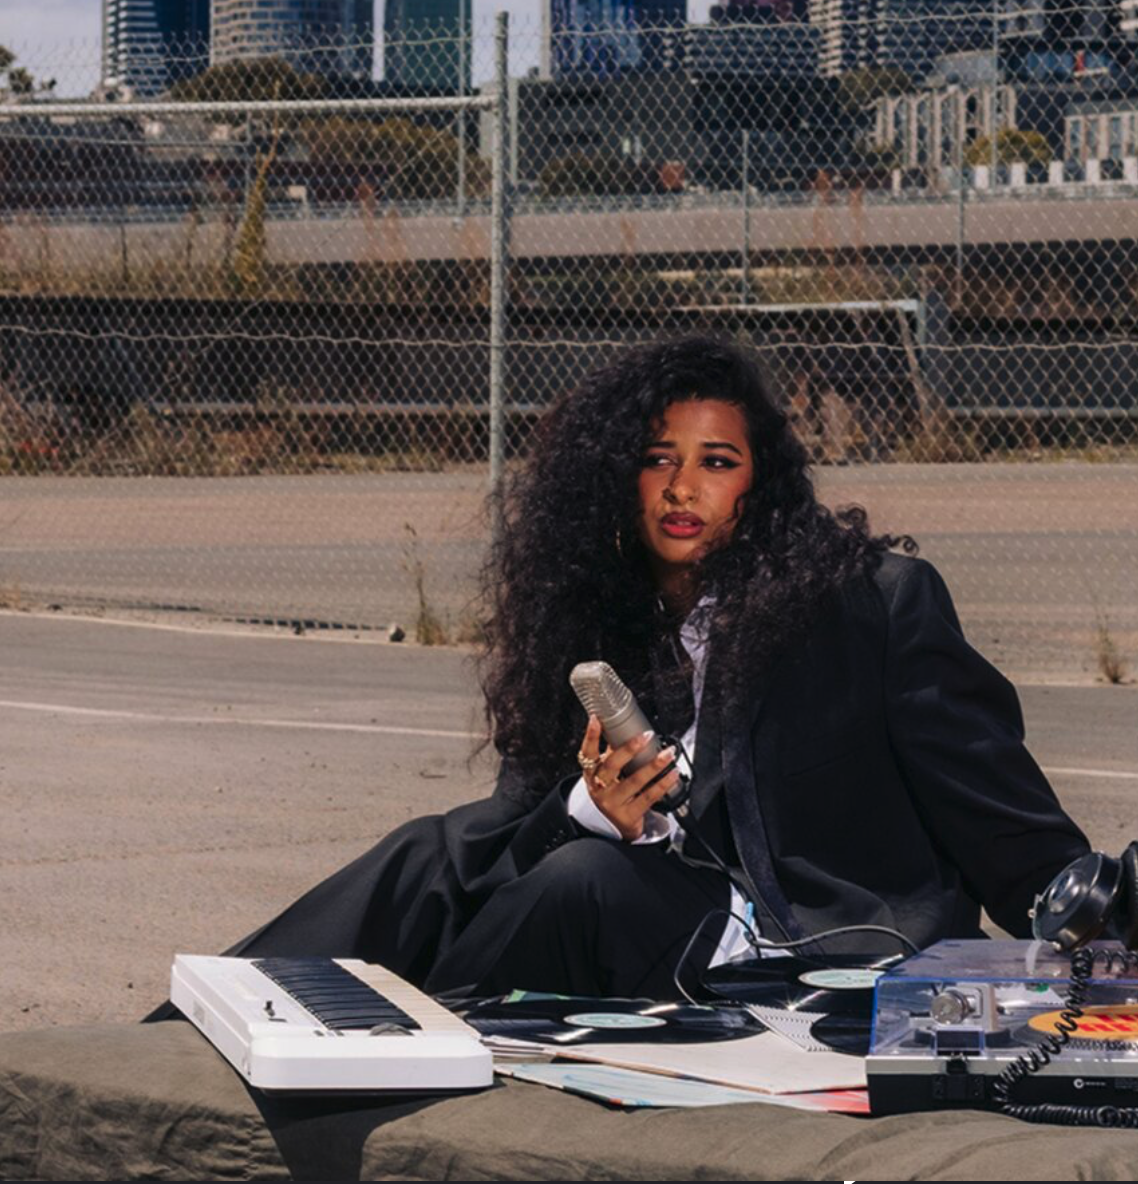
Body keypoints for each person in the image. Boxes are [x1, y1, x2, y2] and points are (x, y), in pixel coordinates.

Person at [220, 335, 1089, 1001]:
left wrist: (1096, 910)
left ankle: (400, 1043)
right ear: (618, 480)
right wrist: (594, 811)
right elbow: (518, 828)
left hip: (813, 954)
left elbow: (999, 815)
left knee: (579, 884)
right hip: (659, 909)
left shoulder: (875, 604)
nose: (682, 487)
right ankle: (199, 1036)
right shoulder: (591, 624)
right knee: (427, 856)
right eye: (657, 460)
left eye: (716, 463)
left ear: (763, 485)